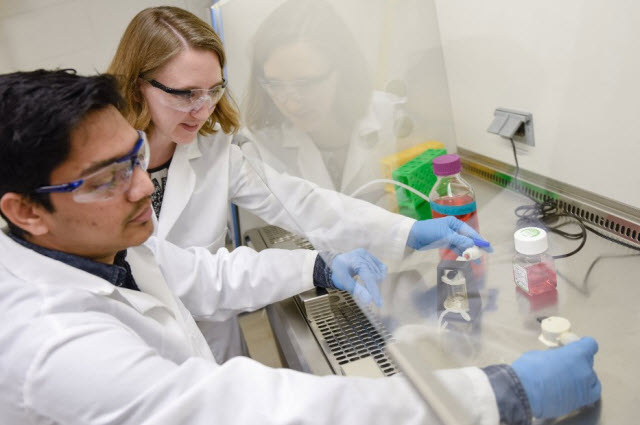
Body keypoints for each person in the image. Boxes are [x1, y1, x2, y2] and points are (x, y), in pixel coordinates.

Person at [0, 69, 602, 425]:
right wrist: (498, 394)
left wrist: (322, 263)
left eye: (135, 158)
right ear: (25, 211)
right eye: (106, 178)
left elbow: (208, 275)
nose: (140, 188)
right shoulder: (49, 339)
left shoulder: (105, 242)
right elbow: (252, 412)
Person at [106, 5, 484, 363]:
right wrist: (314, 266)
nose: (202, 109)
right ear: (138, 83)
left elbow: (301, 201)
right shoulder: (101, 167)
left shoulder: (214, 151)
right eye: (186, 93)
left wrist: (406, 230)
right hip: (138, 348)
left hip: (214, 346)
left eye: (213, 91)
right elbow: (176, 273)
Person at [242, 0, 405, 207]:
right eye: (275, 84)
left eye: (305, 83)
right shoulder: (258, 145)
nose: (291, 104)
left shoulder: (392, 118)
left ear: (341, 69)